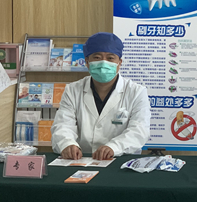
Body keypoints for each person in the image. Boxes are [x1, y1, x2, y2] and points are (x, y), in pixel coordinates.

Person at [51, 32, 150, 160]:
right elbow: (63, 125)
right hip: (82, 159)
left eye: (110, 58)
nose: (103, 63)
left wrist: (114, 147)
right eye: (97, 57)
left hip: (121, 160)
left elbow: (139, 131)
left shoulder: (136, 92)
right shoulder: (72, 90)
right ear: (87, 62)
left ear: (119, 63)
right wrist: (67, 144)